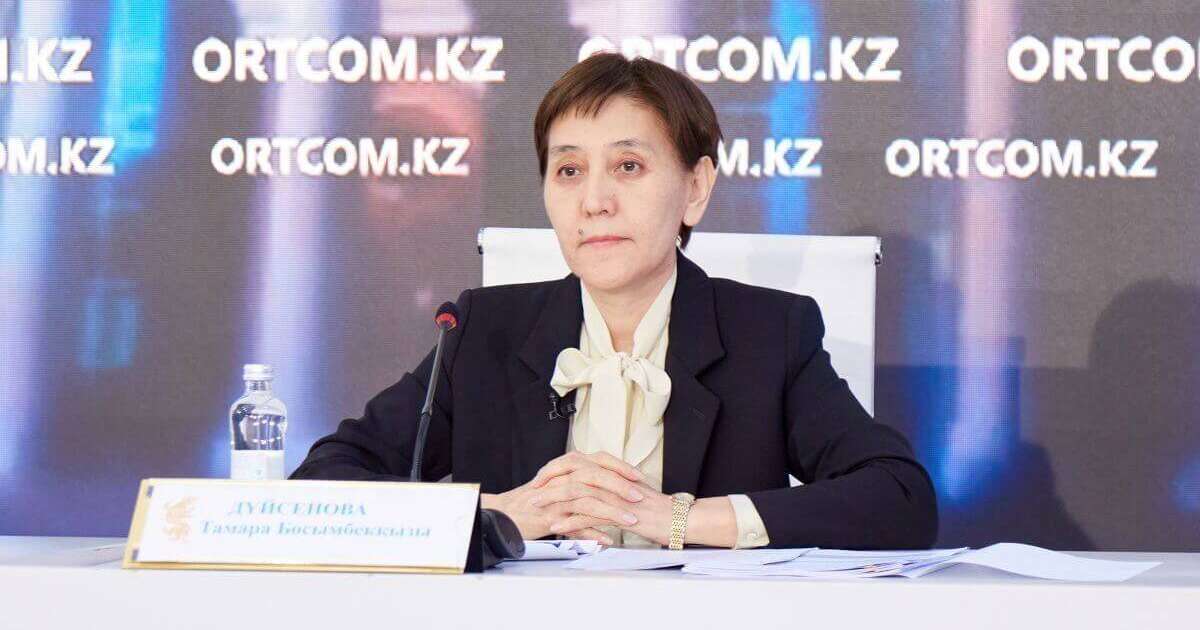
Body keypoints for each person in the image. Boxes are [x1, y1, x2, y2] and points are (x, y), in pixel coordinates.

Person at [291, 53, 937, 550]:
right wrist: (498, 514)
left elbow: (900, 497)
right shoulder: (482, 331)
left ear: (695, 188)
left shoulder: (769, 333)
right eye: (569, 170)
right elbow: (322, 484)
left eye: (628, 166)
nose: (594, 201)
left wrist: (674, 518)